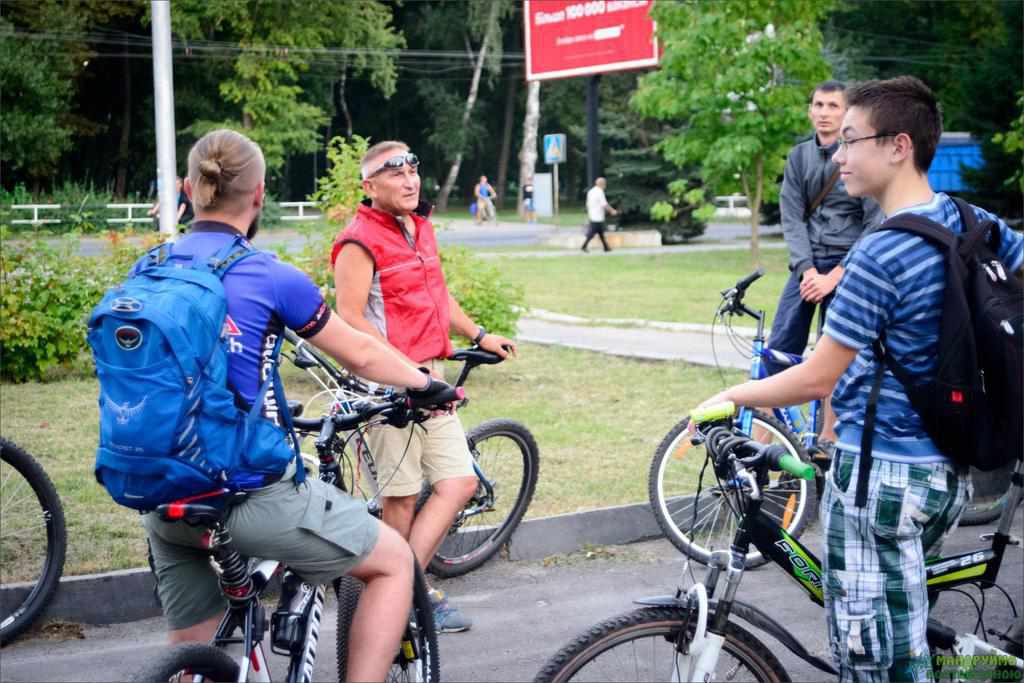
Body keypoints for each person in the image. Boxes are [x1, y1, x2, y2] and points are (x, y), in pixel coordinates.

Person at [695, 76, 1024, 681]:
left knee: (880, 665)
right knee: (906, 629)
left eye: (851, 141)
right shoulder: (969, 219)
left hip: (882, 487)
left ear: (899, 146)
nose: (838, 156)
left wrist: (729, 395)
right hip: (945, 478)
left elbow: (815, 380)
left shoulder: (878, 255)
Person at [141, 130, 449, 682]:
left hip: (160, 497)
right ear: (259, 194)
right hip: (244, 495)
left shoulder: (150, 269)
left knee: (199, 667)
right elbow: (358, 350)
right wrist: (425, 385)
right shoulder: (267, 273)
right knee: (394, 562)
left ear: (188, 190)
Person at [332, 141, 518, 633]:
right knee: (400, 497)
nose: (410, 180)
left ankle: (404, 589)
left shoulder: (419, 228)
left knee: (459, 482)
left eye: (413, 171)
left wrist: (478, 334)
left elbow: (437, 293)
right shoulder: (358, 241)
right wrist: (406, 374)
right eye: (395, 175)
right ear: (369, 187)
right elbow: (349, 318)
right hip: (387, 386)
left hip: (427, 380)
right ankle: (400, 602)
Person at [770, 81, 883, 444]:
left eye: (833, 106)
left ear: (846, 113)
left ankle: (827, 443)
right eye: (818, 105)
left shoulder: (860, 157)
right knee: (777, 351)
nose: (824, 113)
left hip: (847, 266)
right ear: (810, 110)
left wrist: (836, 276)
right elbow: (791, 217)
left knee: (837, 355)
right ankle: (761, 447)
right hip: (807, 268)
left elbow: (874, 223)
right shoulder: (799, 157)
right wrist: (807, 270)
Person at [582, 177, 617, 253]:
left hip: (592, 214)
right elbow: (604, 204)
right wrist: (612, 211)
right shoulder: (600, 192)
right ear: (602, 184)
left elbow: (587, 204)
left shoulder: (591, 191)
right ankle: (584, 246)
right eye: (605, 184)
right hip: (598, 216)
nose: (605, 186)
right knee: (592, 233)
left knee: (600, 233)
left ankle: (606, 247)